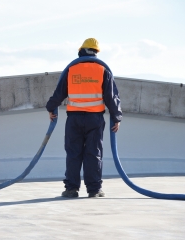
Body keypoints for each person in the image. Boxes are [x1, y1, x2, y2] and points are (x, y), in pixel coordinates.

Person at [46, 38, 122, 198]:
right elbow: (111, 97)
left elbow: (59, 93)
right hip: (94, 119)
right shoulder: (103, 70)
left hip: (74, 119)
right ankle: (94, 190)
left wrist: (50, 108)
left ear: (81, 50)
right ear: (96, 52)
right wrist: (117, 117)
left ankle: (72, 189)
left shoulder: (71, 69)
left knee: (73, 153)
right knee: (93, 153)